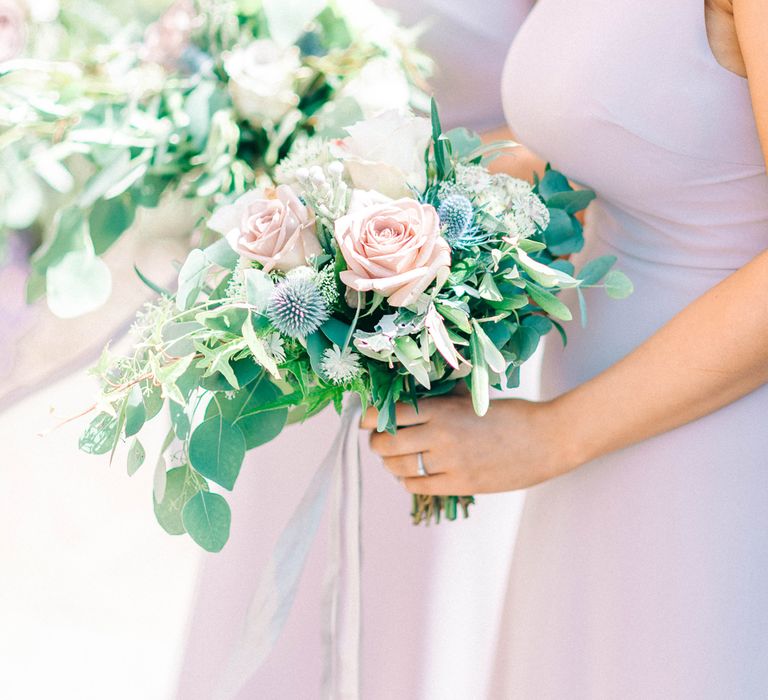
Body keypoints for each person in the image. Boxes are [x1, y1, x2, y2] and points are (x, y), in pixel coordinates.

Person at [365, 0, 768, 696]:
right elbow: (629, 131)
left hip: (711, 456)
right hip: (592, 449)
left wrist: (553, 437)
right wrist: (383, 197)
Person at [174, 3, 534, 699]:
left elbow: (593, 116)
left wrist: (385, 190)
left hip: (449, 300)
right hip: (298, 274)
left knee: (417, 605)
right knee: (270, 567)